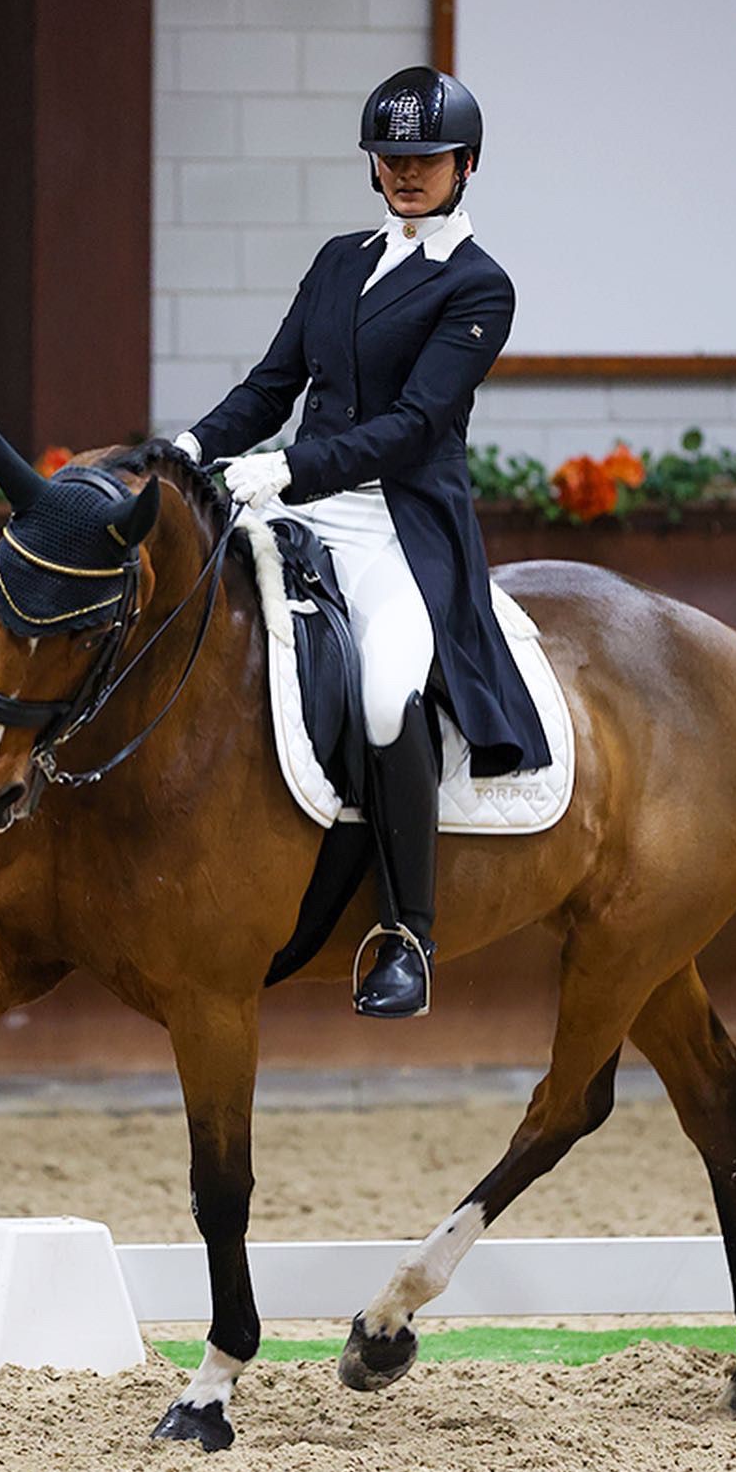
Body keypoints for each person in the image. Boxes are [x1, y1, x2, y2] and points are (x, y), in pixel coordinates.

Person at [174, 66, 551, 1020]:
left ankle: (407, 934)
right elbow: (273, 387)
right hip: (296, 505)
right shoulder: (340, 258)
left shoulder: (480, 285)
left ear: (464, 166)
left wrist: (291, 471)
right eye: (391, 158)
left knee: (387, 694)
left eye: (425, 158)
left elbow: (420, 423)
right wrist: (186, 450)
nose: (407, 173)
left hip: (397, 523)